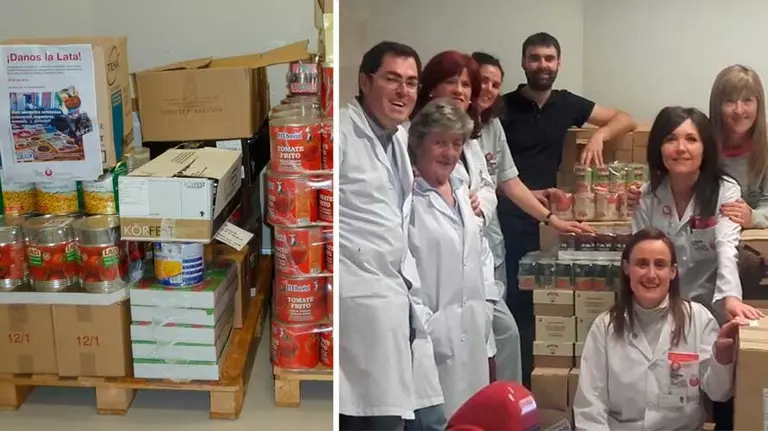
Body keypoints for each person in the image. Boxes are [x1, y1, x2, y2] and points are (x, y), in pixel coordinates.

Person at [413, 50, 591, 383]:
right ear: (432, 86)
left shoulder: (479, 133)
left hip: (479, 255)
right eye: (453, 82)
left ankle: (502, 403)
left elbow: (497, 183)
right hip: (435, 265)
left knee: (494, 340)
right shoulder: (414, 137)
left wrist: (549, 218)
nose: (463, 90)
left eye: (468, 84)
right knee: (469, 346)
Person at [497, 32, 636, 386]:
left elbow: (626, 118)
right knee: (515, 306)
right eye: (535, 58)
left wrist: (599, 135)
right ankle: (519, 387)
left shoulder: (567, 103)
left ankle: (547, 381)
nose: (542, 65)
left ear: (558, 63)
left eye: (549, 58)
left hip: (550, 219)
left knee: (548, 301)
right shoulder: (503, 107)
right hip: (509, 215)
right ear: (524, 62)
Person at [338, 41, 444, 431]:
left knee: (426, 417)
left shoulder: (399, 137)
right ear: (365, 82)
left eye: (411, 83)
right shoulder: (340, 133)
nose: (403, 91)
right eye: (392, 79)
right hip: (359, 297)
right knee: (378, 418)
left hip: (397, 293)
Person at [573, 228, 747, 430]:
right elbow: (590, 408)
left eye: (660, 265)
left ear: (673, 272)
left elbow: (719, 393)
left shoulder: (698, 319)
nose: (651, 274)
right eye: (642, 264)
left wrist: (722, 358)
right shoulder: (605, 327)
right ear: (627, 268)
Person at [407, 98, 493, 418]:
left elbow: (480, 253)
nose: (450, 153)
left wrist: (487, 306)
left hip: (472, 329)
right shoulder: (409, 198)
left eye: (456, 143)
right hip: (431, 338)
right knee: (438, 419)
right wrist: (430, 326)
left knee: (473, 417)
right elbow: (405, 272)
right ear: (419, 144)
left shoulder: (462, 191)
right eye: (440, 143)